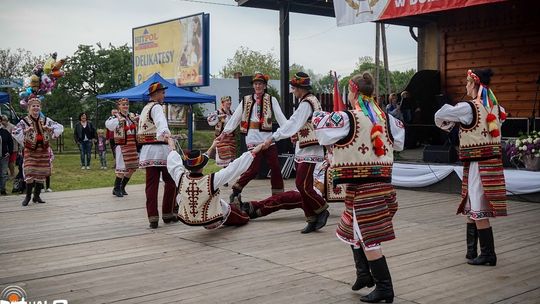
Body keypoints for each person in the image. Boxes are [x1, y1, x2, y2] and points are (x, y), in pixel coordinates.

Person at [313, 72, 405, 303]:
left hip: (365, 192)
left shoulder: (349, 118)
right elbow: (401, 141)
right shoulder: (387, 119)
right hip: (381, 188)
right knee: (353, 231)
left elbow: (322, 131)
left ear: (353, 92)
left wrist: (316, 113)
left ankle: (385, 288)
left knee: (369, 238)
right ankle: (364, 275)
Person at [434, 68, 506, 267]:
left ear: (474, 84)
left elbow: (441, 114)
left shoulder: (469, 107)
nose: (466, 86)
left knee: (478, 206)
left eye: (467, 82)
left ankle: (488, 254)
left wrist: (450, 124)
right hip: (491, 162)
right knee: (472, 204)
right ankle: (472, 251)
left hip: (478, 164)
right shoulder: (495, 107)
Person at [263, 72, 329, 234]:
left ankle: (321, 209)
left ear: (301, 88)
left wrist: (273, 138)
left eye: (294, 88)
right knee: (302, 186)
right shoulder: (308, 101)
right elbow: (299, 125)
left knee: (302, 184)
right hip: (304, 147)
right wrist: (295, 134)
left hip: (310, 150)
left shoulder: (307, 103)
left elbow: (293, 123)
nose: (292, 91)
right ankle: (311, 219)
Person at [167, 138, 267, 229]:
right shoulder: (211, 180)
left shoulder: (180, 177)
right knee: (238, 214)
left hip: (187, 218)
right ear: (202, 166)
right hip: (212, 219)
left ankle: (239, 210)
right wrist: (253, 152)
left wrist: (172, 146)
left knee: (182, 195)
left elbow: (174, 162)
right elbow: (232, 169)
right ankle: (244, 214)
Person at [220, 73, 287, 200]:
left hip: (268, 138)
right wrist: (225, 132)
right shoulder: (245, 100)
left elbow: (280, 117)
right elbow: (235, 118)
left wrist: (290, 130)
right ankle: (236, 190)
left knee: (275, 165)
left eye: (260, 84)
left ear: (265, 86)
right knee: (254, 168)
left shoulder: (271, 99)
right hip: (252, 137)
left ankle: (278, 195)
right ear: (253, 86)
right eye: (256, 84)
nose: (258, 86)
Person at [137, 82, 177, 228]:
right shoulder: (157, 107)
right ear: (156, 94)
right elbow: (162, 125)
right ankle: (168, 213)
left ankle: (152, 217)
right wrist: (168, 137)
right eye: (162, 93)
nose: (164, 95)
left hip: (147, 151)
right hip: (160, 149)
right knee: (171, 181)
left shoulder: (145, 108)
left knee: (151, 185)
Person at [12, 97, 64, 206]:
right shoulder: (24, 121)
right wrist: (25, 131)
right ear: (29, 108)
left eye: (37, 106)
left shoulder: (46, 120)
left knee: (41, 173)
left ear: (40, 108)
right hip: (30, 151)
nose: (36, 108)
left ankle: (37, 196)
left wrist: (50, 130)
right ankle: (28, 196)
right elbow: (15, 131)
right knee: (29, 171)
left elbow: (59, 127)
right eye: (33, 106)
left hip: (43, 150)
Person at [106, 98, 139, 197]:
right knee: (121, 168)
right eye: (123, 104)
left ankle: (122, 187)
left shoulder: (131, 116)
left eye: (127, 104)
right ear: (119, 106)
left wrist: (136, 120)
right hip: (122, 144)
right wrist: (119, 120)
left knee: (132, 168)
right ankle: (116, 189)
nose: (125, 106)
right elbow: (109, 126)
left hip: (132, 144)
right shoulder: (115, 117)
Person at [207, 96, 236, 168]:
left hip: (231, 139)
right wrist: (219, 117)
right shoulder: (217, 112)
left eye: (230, 100)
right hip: (221, 139)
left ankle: (229, 172)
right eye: (227, 101)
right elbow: (209, 120)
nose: (229, 102)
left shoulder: (232, 112)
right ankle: (224, 171)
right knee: (223, 157)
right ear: (223, 103)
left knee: (231, 159)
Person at [0, 122, 13, 195]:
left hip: (4, 156)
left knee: (3, 173)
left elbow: (10, 142)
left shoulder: (5, 131)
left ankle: (2, 189)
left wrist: (9, 152)